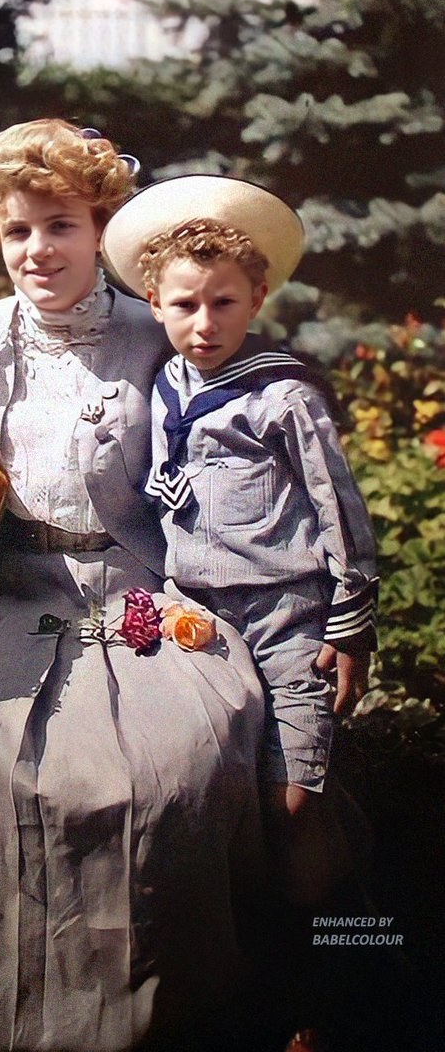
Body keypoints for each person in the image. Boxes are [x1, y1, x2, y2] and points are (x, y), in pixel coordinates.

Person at [0, 122, 267, 1051]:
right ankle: (8, 982)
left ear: (100, 228)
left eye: (61, 227)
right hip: (12, 600)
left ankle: (150, 995)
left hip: (140, 596)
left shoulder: (152, 331)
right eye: (16, 232)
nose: (37, 251)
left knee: (168, 760)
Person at [100, 175, 378, 908]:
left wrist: (351, 630)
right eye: (184, 305)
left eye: (222, 303)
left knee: (292, 800)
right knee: (201, 791)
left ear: (255, 300)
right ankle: (239, 957)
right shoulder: (163, 388)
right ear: (154, 303)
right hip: (199, 616)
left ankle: (317, 985)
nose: (203, 324)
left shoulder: (282, 396)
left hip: (285, 614)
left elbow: (340, 513)